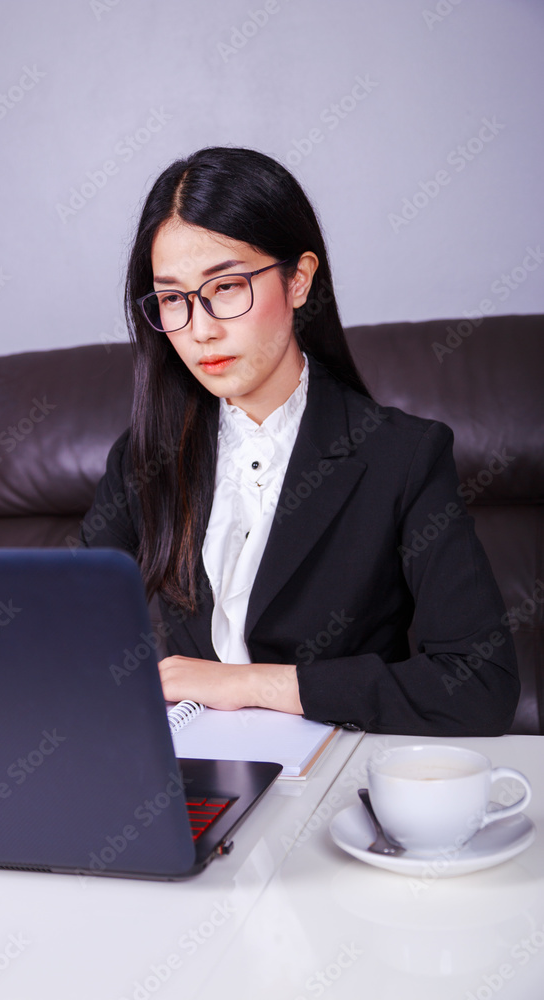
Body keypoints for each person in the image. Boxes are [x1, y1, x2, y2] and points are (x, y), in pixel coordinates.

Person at [80, 145, 519, 736]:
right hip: (186, 773)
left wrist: (251, 684)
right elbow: (68, 631)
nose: (201, 328)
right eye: (173, 298)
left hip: (332, 776)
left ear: (299, 280)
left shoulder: (402, 457)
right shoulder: (145, 456)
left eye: (227, 286)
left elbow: (480, 685)